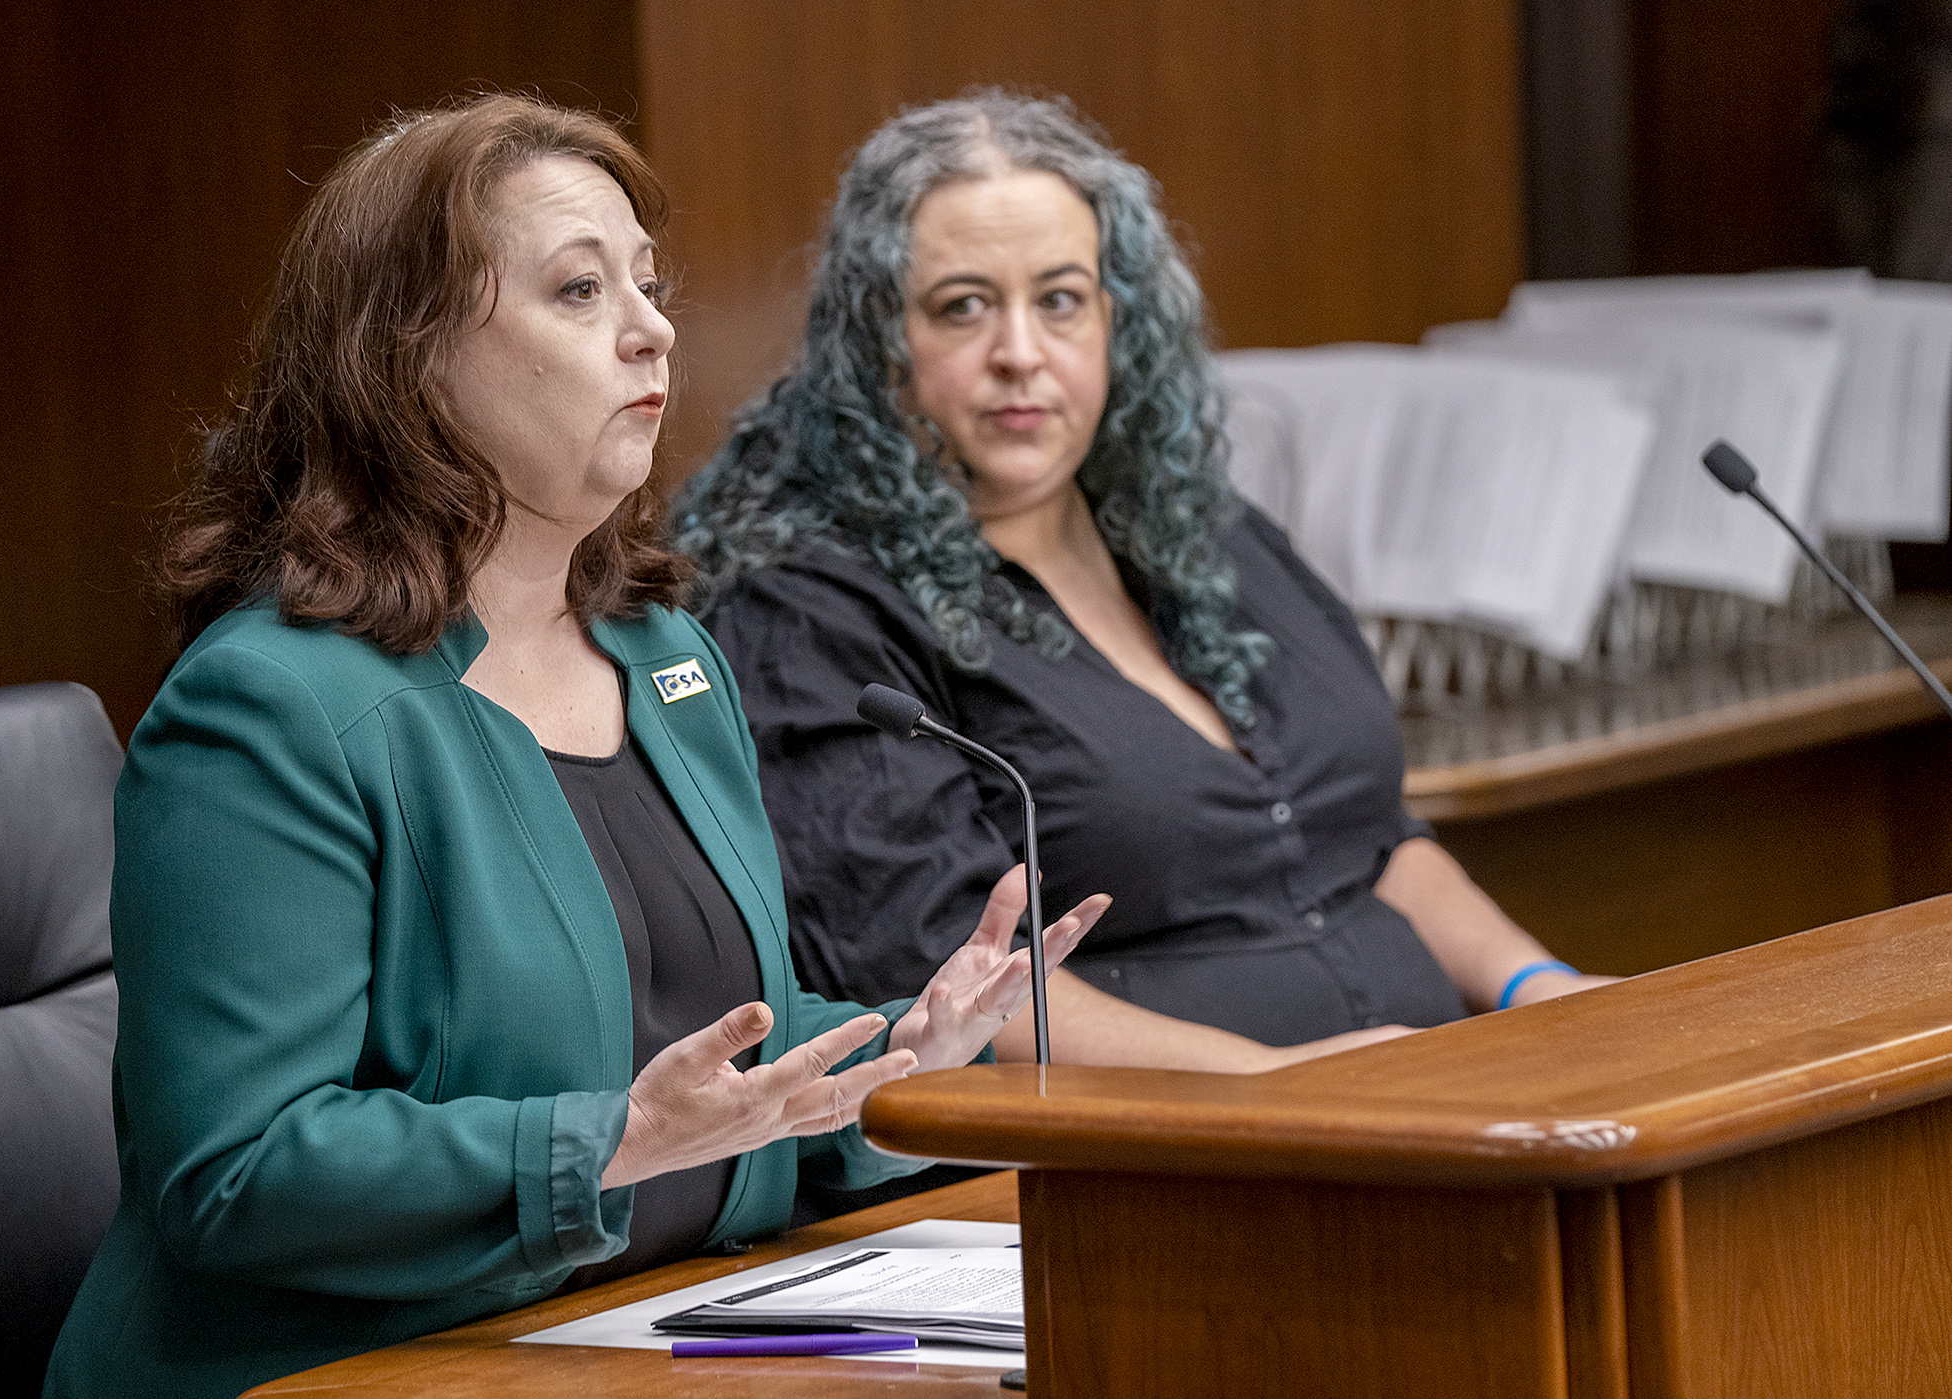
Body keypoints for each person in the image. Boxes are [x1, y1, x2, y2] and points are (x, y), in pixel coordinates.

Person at [41, 94, 1106, 1399]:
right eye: (578, 290)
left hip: (661, 1326)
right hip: (347, 1370)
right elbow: (240, 1169)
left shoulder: (661, 652)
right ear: (411, 356)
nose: (652, 327)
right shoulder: (265, 707)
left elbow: (701, 1051)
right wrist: (607, 1142)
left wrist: (901, 1055)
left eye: (648, 286)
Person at [677, 91, 1611, 1085]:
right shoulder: (811, 613)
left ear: (1117, 322)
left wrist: (1534, 984)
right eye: (962, 307)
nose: (1021, 354)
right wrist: (1279, 1086)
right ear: (878, 349)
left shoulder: (1204, 532)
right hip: (1129, 1171)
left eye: (1061, 299)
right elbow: (951, 983)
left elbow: (1366, 837)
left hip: (1424, 1104)